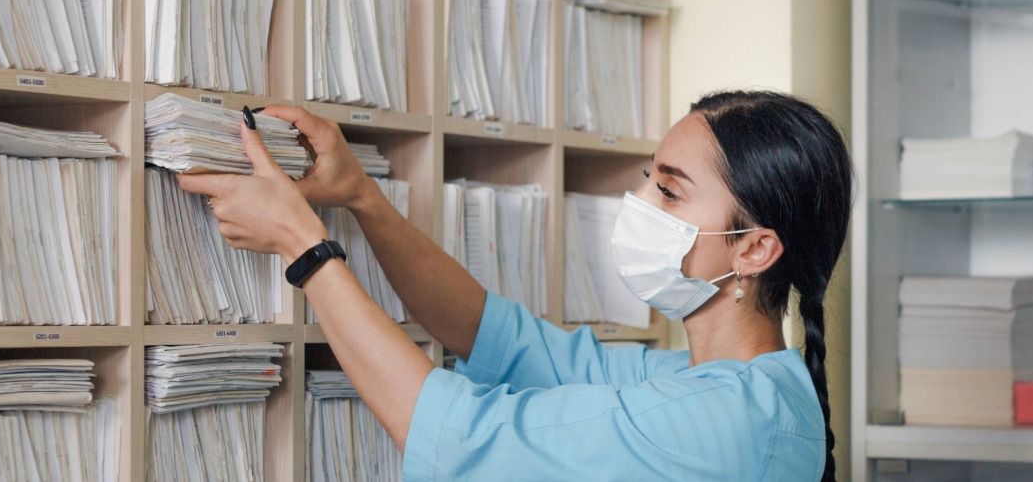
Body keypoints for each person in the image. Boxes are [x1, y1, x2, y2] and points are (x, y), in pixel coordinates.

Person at [178, 90, 853, 481]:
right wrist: (362, 198)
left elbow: (456, 437)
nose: (638, 200)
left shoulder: (725, 418)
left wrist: (304, 247)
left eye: (669, 192)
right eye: (650, 177)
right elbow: (496, 335)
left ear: (755, 248)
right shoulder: (725, 381)